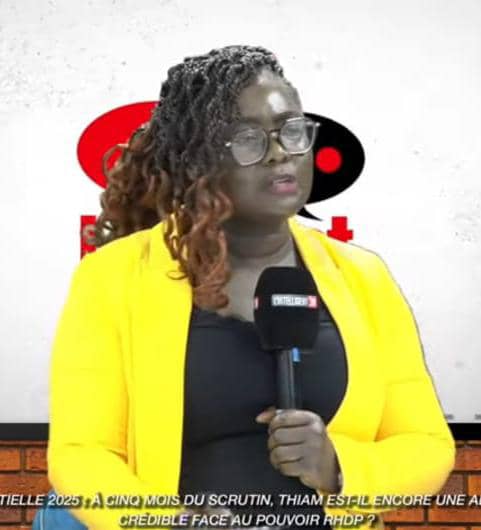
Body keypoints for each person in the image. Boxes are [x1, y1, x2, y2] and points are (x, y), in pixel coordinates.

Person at [32, 45, 455, 530]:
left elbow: (425, 443)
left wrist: (340, 468)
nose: (280, 153)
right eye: (248, 139)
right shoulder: (113, 277)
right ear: (197, 160)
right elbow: (82, 452)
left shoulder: (363, 277)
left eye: (292, 131)